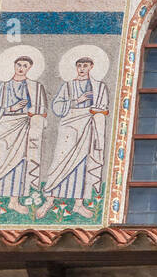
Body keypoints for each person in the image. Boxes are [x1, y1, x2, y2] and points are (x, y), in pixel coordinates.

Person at [0, 56, 48, 217]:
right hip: (4, 127)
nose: (21, 68)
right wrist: (10, 108)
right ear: (14, 65)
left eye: (25, 66)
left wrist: (33, 114)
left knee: (19, 163)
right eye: (19, 64)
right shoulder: (4, 87)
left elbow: (42, 110)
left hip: (23, 126)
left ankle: (14, 201)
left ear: (29, 68)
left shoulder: (35, 87)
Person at [40, 57, 110, 219]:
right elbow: (57, 106)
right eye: (79, 65)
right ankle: (49, 199)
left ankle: (79, 204)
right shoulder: (68, 85)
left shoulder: (99, 87)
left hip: (88, 125)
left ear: (91, 67)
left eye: (85, 65)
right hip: (69, 126)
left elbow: (103, 107)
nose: (82, 68)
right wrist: (78, 100)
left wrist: (97, 111)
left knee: (83, 164)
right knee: (60, 160)